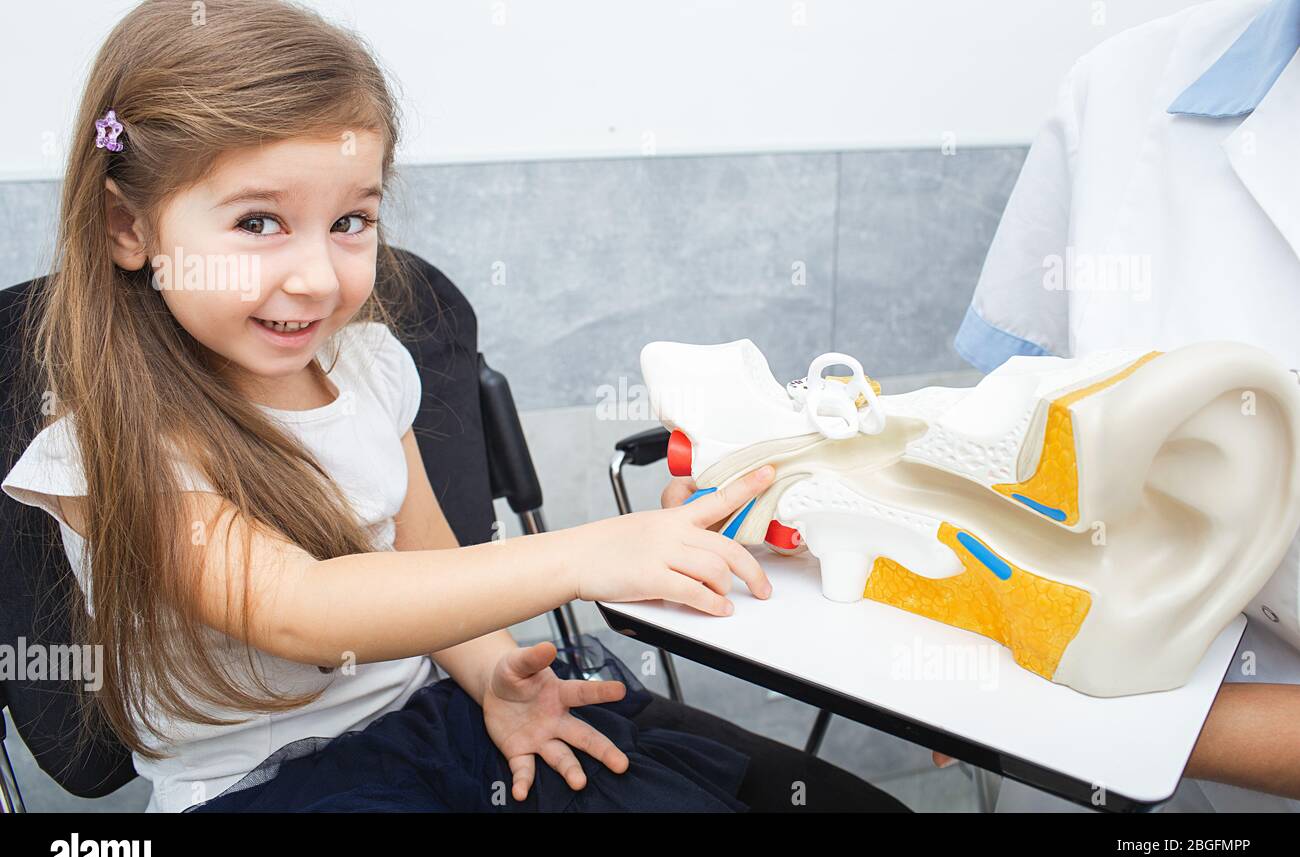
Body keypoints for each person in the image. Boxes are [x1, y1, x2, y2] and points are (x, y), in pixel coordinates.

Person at [1, 0, 907, 814]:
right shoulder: (103, 449)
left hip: (435, 724)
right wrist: (588, 553)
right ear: (130, 228)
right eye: (258, 223)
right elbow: (300, 605)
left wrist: (491, 675)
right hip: (269, 790)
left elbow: (429, 555)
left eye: (350, 220)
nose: (317, 276)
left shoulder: (367, 366)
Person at [947, 0, 1300, 811]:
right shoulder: (1124, 88)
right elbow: (1008, 448)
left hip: (1078, 708)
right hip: (1082, 757)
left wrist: (1035, 699)